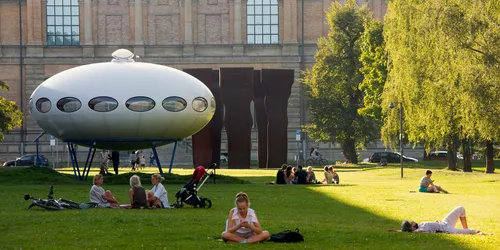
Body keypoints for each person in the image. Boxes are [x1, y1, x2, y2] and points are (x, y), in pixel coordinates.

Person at [396, 206, 482, 234]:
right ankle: (476, 232)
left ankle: (465, 228)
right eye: (411, 223)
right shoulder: (420, 229)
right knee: (465, 232)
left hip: (444, 222)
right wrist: (408, 231)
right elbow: (418, 231)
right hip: (446, 228)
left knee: (461, 208)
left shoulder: (420, 224)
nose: (412, 221)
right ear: (412, 228)